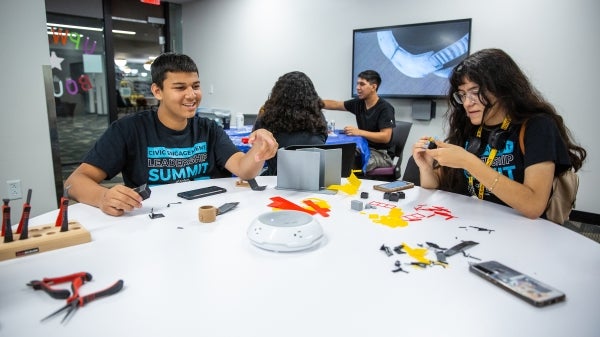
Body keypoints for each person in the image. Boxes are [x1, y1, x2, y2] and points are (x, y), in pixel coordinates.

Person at [65, 52, 278, 216]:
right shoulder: (128, 130)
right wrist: (103, 197)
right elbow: (75, 182)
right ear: (157, 91)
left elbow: (244, 170)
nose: (191, 95)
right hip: (151, 223)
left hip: (207, 218)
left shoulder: (209, 129)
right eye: (179, 87)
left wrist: (259, 149)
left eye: (195, 86)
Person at [412, 48, 586, 219]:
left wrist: (469, 162)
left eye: (475, 92)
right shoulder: (468, 126)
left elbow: (534, 206)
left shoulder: (538, 126)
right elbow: (435, 185)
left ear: (503, 89)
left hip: (525, 233)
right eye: (463, 95)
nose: (467, 103)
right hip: (476, 224)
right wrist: (426, 168)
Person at [253, 71, 328, 175]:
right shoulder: (319, 120)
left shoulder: (265, 120)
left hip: (276, 180)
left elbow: (255, 147)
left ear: (277, 94)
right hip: (313, 179)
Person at [322, 70, 396, 171]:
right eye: (357, 84)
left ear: (373, 87)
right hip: (363, 148)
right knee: (336, 155)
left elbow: (385, 137)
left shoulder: (385, 108)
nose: (357, 88)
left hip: (381, 154)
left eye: (362, 84)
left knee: (346, 162)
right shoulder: (359, 103)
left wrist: (359, 132)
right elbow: (336, 104)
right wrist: (312, 101)